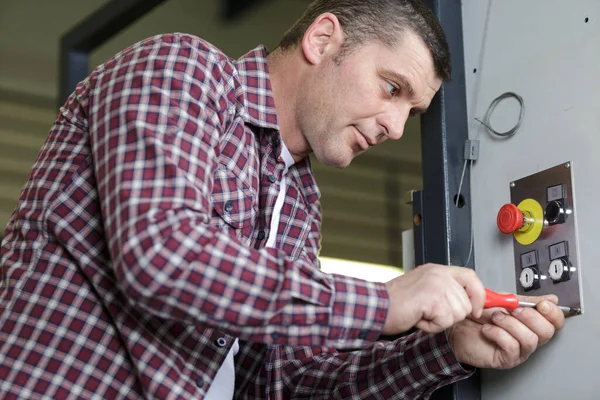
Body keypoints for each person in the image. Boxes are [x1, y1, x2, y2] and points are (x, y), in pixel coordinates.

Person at [0, 0, 564, 398]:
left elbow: (289, 384)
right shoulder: (185, 70)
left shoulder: (298, 202)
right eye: (392, 88)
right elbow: (163, 256)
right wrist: (385, 304)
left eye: (411, 113)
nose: (395, 127)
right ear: (323, 40)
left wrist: (445, 350)